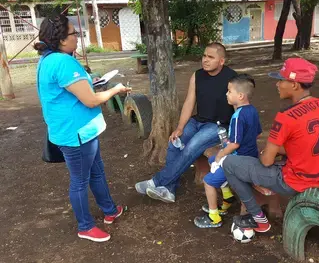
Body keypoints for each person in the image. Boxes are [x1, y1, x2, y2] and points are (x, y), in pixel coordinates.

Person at [34, 14, 131, 242]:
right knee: (80, 180)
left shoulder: (48, 59)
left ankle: (109, 210)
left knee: (97, 171)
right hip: (75, 133)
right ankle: (85, 226)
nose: (77, 37)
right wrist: (115, 90)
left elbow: (73, 90)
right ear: (61, 39)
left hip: (81, 131)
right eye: (73, 33)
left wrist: (91, 83)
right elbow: (91, 100)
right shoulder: (62, 62)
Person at [222, 58, 319, 233]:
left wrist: (268, 152)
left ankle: (258, 219)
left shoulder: (287, 116)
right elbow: (308, 144)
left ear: (294, 85)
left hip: (297, 180)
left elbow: (266, 162)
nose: (277, 84)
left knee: (229, 164)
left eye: (281, 80)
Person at [135, 42, 237, 203]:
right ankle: (169, 190)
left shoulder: (232, 78)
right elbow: (190, 102)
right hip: (198, 121)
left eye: (211, 57)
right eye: (204, 56)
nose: (205, 60)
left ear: (221, 61)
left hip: (218, 126)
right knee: (175, 142)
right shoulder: (197, 76)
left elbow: (240, 105)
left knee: (192, 147)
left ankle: (157, 181)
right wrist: (180, 127)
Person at [193, 74, 262, 228]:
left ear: (240, 95)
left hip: (237, 161)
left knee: (208, 181)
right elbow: (257, 133)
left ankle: (214, 217)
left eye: (229, 91)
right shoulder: (253, 111)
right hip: (250, 156)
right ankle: (228, 197)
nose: (226, 94)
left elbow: (235, 144)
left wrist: (221, 154)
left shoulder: (237, 116)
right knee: (211, 161)